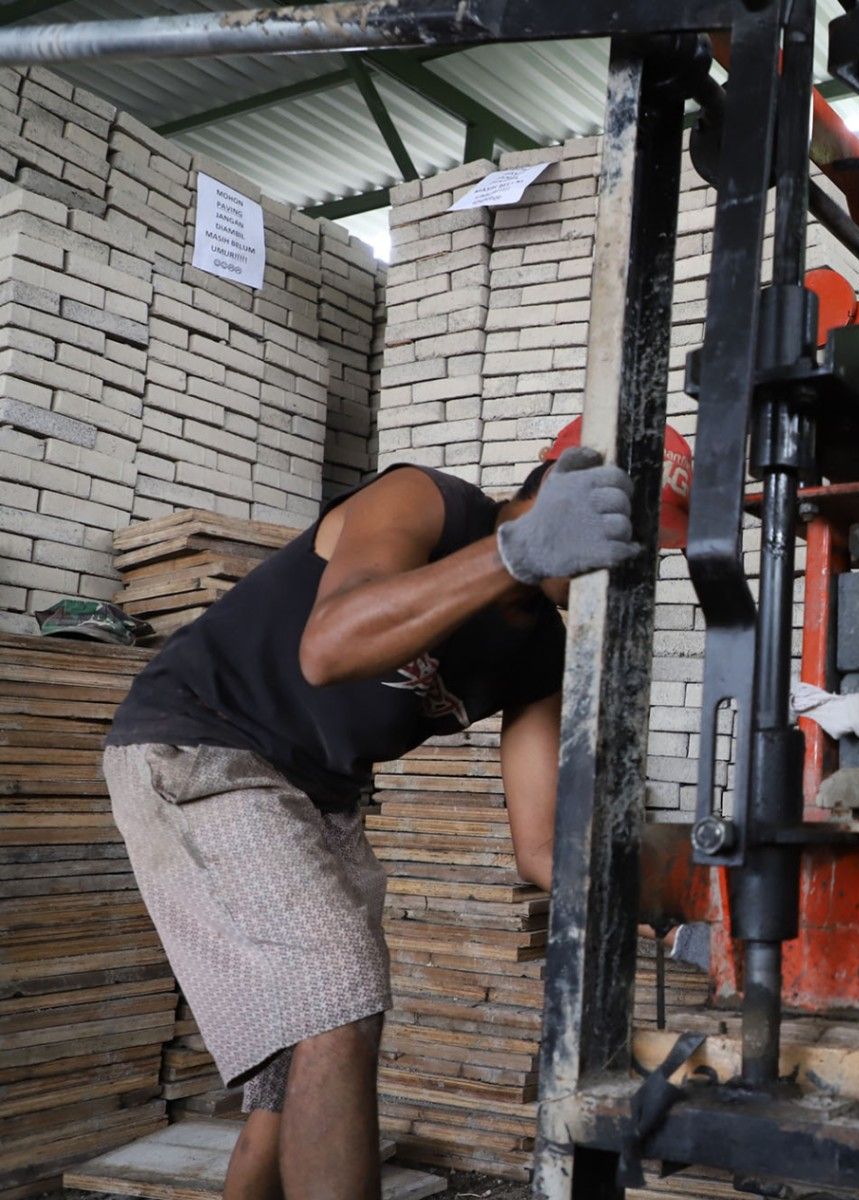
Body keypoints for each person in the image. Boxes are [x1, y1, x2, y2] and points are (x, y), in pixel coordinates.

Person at [102, 425, 658, 1200]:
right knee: (338, 995)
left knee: (306, 1050)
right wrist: (516, 553)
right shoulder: (426, 502)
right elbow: (327, 649)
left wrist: (658, 897)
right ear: (550, 494)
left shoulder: (542, 648)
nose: (615, 556)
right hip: (200, 744)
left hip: (318, 797)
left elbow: (540, 845)